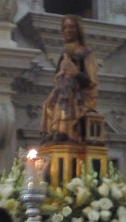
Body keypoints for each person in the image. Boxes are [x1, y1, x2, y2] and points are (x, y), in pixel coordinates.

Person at [41, 14, 98, 143]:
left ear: (78, 30)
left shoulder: (86, 53)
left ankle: (67, 131)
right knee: (48, 103)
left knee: (66, 88)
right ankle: (54, 130)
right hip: (63, 89)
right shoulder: (64, 54)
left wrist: (75, 73)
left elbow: (91, 81)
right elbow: (58, 77)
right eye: (65, 27)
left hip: (81, 95)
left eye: (71, 27)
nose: (68, 30)